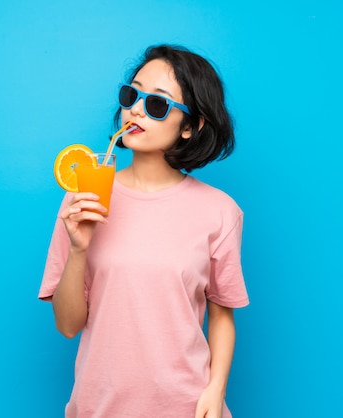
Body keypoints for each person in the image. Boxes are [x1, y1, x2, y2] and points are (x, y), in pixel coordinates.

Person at [39, 44, 249, 418]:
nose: (135, 108)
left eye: (157, 104)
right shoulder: (82, 197)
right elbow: (68, 326)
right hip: (98, 407)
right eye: (131, 94)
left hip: (187, 407)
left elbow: (221, 315)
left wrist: (215, 392)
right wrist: (78, 249)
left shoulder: (220, 212)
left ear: (190, 127)